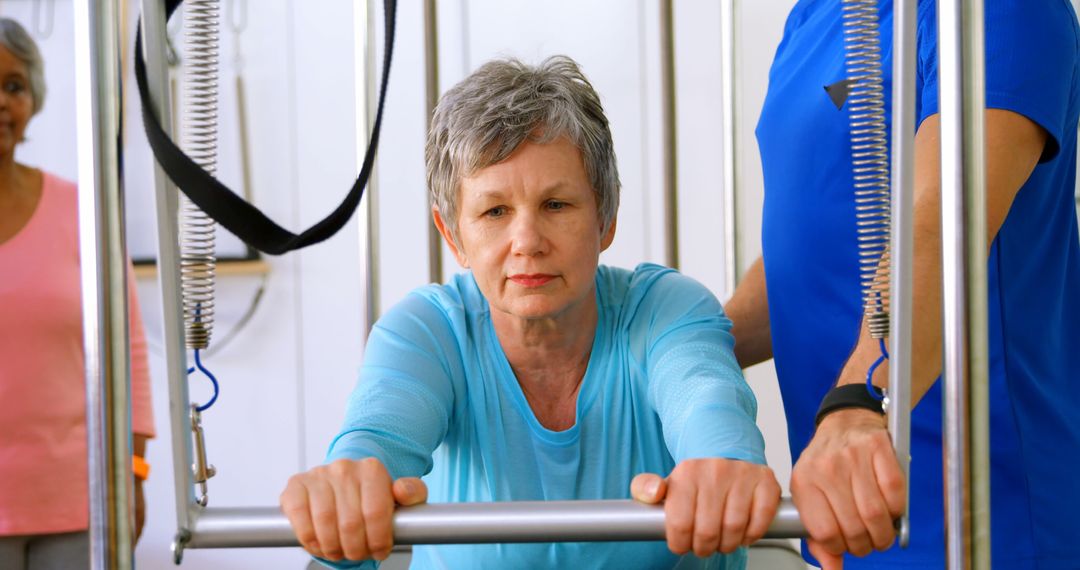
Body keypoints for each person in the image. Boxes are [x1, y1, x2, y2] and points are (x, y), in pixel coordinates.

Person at [280, 56, 781, 569]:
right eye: (494, 212)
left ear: (605, 218)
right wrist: (348, 484)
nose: (527, 242)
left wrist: (723, 461)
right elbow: (377, 435)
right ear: (454, 235)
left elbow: (705, 400)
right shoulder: (427, 332)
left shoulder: (666, 310)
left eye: (556, 205)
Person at [727, 0, 1080, 568]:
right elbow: (806, 247)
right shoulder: (813, 15)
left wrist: (860, 400)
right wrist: (682, 350)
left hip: (982, 518)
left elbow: (945, 219)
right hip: (845, 502)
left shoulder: (995, 10)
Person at [0, 17, 155, 569]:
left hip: (78, 503)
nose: (1, 102)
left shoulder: (81, 210)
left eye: (13, 86)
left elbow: (129, 348)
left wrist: (133, 474)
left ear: (33, 98)